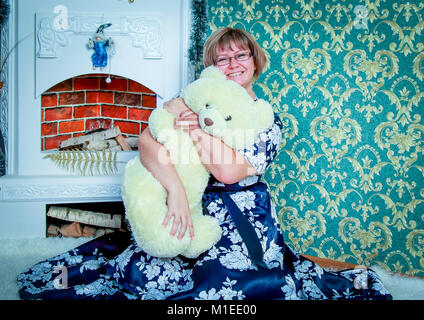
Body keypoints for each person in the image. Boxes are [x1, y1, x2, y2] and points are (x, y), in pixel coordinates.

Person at [17, 27, 392, 300]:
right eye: (222, 58)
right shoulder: (192, 97)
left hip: (242, 214)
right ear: (212, 66)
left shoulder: (266, 119)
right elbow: (148, 142)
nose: (232, 64)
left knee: (233, 289)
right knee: (147, 275)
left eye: (240, 55)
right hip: (187, 203)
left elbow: (227, 172)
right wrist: (177, 191)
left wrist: (198, 128)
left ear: (255, 62)